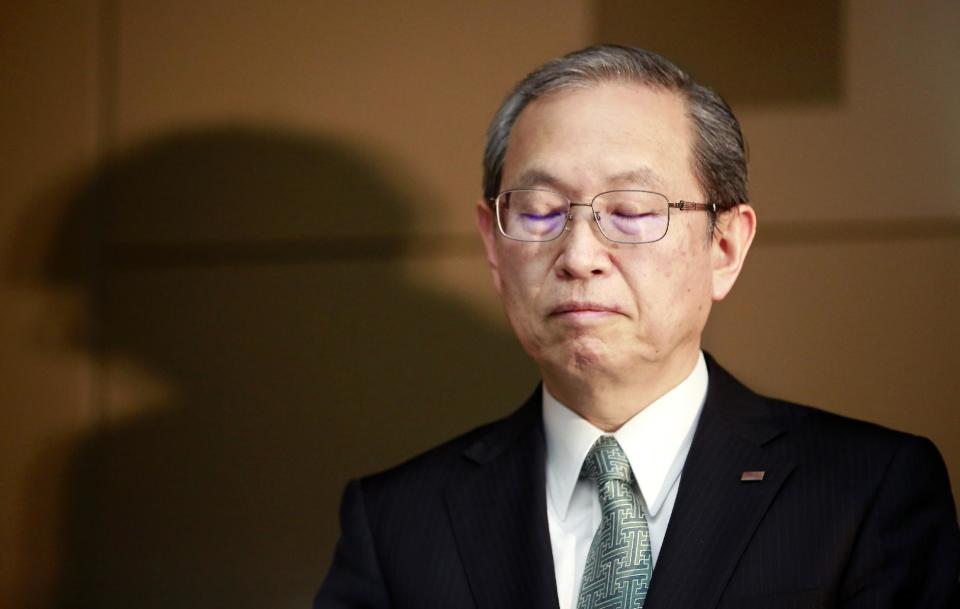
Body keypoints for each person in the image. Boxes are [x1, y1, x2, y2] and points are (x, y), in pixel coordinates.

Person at [314, 45, 959, 609]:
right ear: (493, 245)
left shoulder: (867, 491)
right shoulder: (397, 522)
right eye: (540, 212)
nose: (579, 256)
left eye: (629, 211)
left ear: (725, 247)